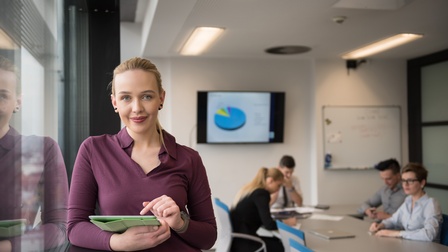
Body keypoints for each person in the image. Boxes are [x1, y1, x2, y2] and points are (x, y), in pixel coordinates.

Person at [67, 57, 217, 251]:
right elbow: (74, 228)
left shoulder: (189, 158)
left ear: (161, 98)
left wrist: (180, 223)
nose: (137, 108)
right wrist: (119, 243)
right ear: (115, 102)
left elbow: (209, 238)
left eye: (146, 96)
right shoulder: (93, 150)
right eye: (126, 97)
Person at [0, 56, 69, 251]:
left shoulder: (42, 149)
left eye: (2, 95)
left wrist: (6, 247)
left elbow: (60, 227)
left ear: (18, 101)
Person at [369, 163, 442, 242]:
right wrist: (380, 225)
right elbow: (394, 220)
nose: (405, 184)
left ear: (422, 183)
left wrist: (397, 233)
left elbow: (429, 235)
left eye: (410, 181)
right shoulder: (408, 200)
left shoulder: (431, 204)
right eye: (403, 180)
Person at [230, 167, 287, 252]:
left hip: (237, 239)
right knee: (281, 245)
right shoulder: (262, 194)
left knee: (275, 241)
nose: (278, 189)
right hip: (245, 242)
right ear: (270, 180)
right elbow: (268, 224)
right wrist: (285, 222)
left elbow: (257, 214)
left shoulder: (250, 190)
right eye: (278, 185)